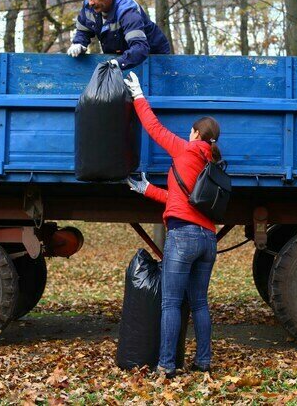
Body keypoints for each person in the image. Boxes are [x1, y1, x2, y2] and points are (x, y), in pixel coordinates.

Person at [123, 72, 220, 378]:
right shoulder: (212, 163)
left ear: (194, 133)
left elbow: (153, 128)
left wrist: (138, 95)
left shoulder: (186, 150)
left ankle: (166, 365)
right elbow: (179, 198)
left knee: (171, 304)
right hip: (208, 238)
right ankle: (203, 362)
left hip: (183, 237)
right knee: (200, 304)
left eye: (190, 132)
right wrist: (146, 189)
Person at [67, 0, 170, 69]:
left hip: (152, 55)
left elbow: (140, 47)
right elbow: (84, 30)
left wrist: (119, 63)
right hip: (120, 54)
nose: (90, 3)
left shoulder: (127, 12)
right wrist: (79, 43)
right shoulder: (89, 6)